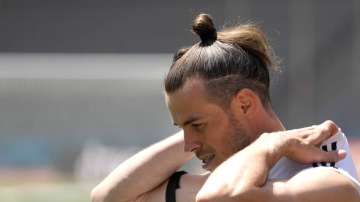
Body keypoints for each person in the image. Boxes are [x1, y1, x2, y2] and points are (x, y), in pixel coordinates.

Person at [91, 14, 360, 202]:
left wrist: (268, 144)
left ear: (244, 104)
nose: (188, 145)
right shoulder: (220, 179)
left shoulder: (325, 180)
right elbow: (107, 198)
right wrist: (194, 127)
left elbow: (220, 198)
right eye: (182, 128)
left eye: (197, 125)